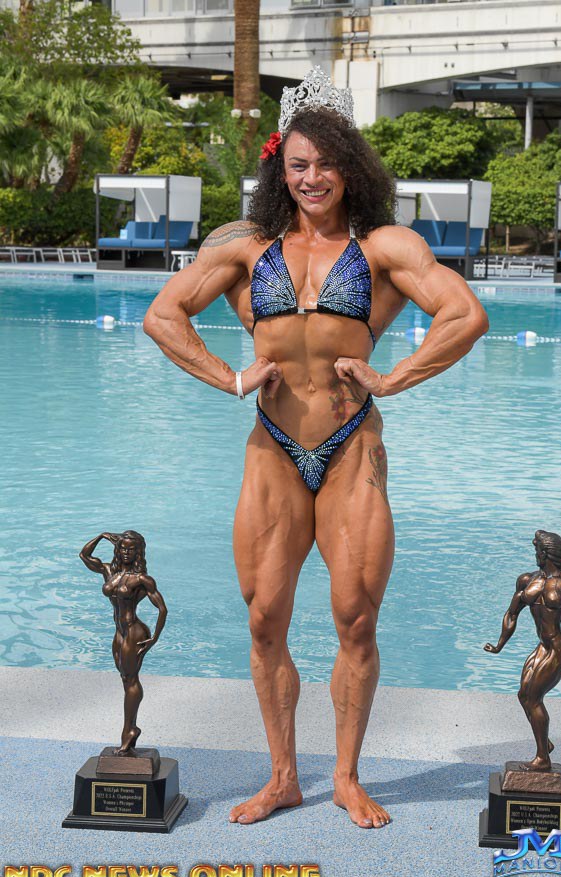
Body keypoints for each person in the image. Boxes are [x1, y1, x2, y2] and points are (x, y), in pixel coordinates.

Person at [144, 67, 488, 828]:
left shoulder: (384, 248)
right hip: (272, 448)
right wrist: (231, 378)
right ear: (281, 168)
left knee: (355, 617)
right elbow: (164, 316)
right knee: (265, 618)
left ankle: (346, 778)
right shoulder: (246, 248)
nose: (312, 178)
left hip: (350, 445)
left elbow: (465, 315)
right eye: (298, 165)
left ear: (351, 168)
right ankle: (282, 778)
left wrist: (392, 379)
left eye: (326, 164)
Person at [484, 530, 561, 772]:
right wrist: (499, 645)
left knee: (534, 698)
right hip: (543, 646)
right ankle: (544, 741)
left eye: (537, 550)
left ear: (546, 553)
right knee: (523, 696)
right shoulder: (527, 580)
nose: (535, 554)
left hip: (559, 648)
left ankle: (542, 758)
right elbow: (511, 614)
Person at [79, 530, 168, 754]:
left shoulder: (142, 580)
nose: (126, 552)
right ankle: (130, 728)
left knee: (130, 678)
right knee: (125, 678)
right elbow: (84, 555)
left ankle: (129, 730)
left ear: (138, 552)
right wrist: (101, 536)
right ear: (117, 548)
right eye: (123, 547)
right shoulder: (109, 571)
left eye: (131, 549)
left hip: (135, 631)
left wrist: (154, 638)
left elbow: (162, 609)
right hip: (119, 632)